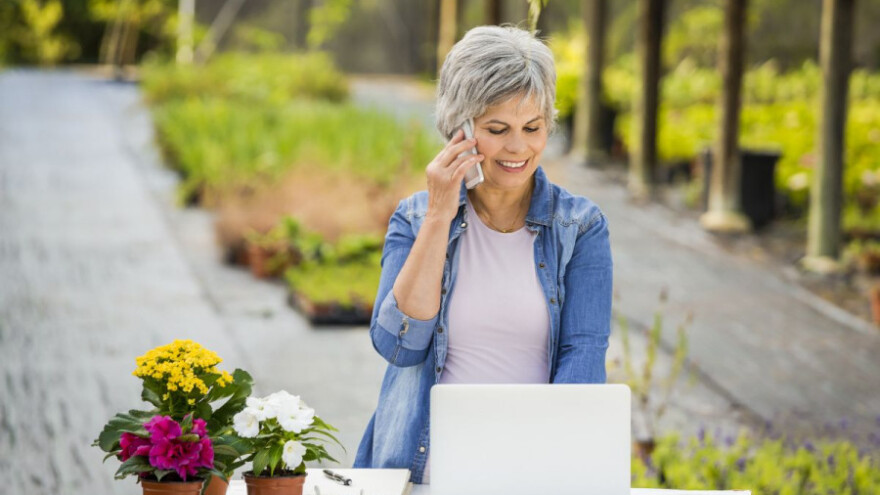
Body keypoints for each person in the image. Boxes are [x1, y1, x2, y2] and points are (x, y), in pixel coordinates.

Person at [353, 25, 613, 484]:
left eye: (533, 128)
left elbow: (583, 360)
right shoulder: (414, 218)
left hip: (529, 474)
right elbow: (399, 346)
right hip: (420, 473)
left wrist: (547, 472)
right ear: (461, 129)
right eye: (498, 129)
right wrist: (439, 213)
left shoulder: (581, 227)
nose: (518, 147)